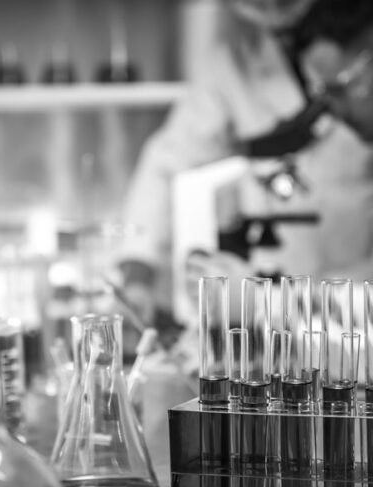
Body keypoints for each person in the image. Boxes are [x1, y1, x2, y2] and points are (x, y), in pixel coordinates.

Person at [117, 0, 373, 327]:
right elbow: (168, 161)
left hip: (346, 294)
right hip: (283, 297)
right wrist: (138, 271)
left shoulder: (356, 43)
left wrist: (263, 302)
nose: (338, 109)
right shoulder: (231, 66)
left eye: (340, 89)